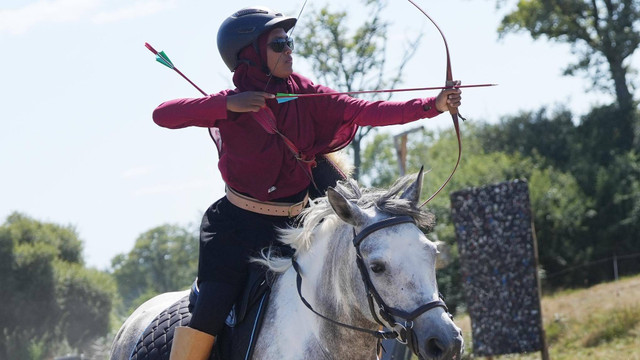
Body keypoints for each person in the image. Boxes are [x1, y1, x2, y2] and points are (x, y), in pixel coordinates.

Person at [152, 6, 462, 360]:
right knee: (209, 312)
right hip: (237, 230)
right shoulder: (229, 105)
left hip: (299, 224)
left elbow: (362, 109)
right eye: (278, 44)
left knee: (368, 284)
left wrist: (432, 104)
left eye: (290, 42)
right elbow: (163, 114)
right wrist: (228, 105)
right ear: (249, 55)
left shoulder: (303, 92)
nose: (289, 51)